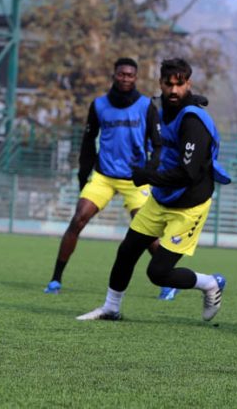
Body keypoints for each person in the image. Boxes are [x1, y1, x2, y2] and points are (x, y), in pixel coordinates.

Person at [76, 58, 231, 322]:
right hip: (161, 199)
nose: (173, 90)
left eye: (179, 85)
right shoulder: (162, 108)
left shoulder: (194, 121)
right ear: (160, 83)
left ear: (188, 84)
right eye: (168, 84)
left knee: (158, 273)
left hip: (189, 204)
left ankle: (210, 283)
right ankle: (111, 308)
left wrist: (148, 175)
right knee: (127, 251)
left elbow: (187, 173)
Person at [44, 57, 177, 299]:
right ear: (114, 75)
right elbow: (87, 142)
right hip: (104, 176)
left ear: (135, 78)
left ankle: (167, 282)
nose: (125, 78)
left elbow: (158, 145)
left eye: (130, 75)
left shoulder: (146, 106)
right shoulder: (99, 105)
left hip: (135, 179)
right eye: (121, 74)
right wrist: (83, 176)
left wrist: (150, 170)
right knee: (77, 220)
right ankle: (55, 279)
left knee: (146, 232)